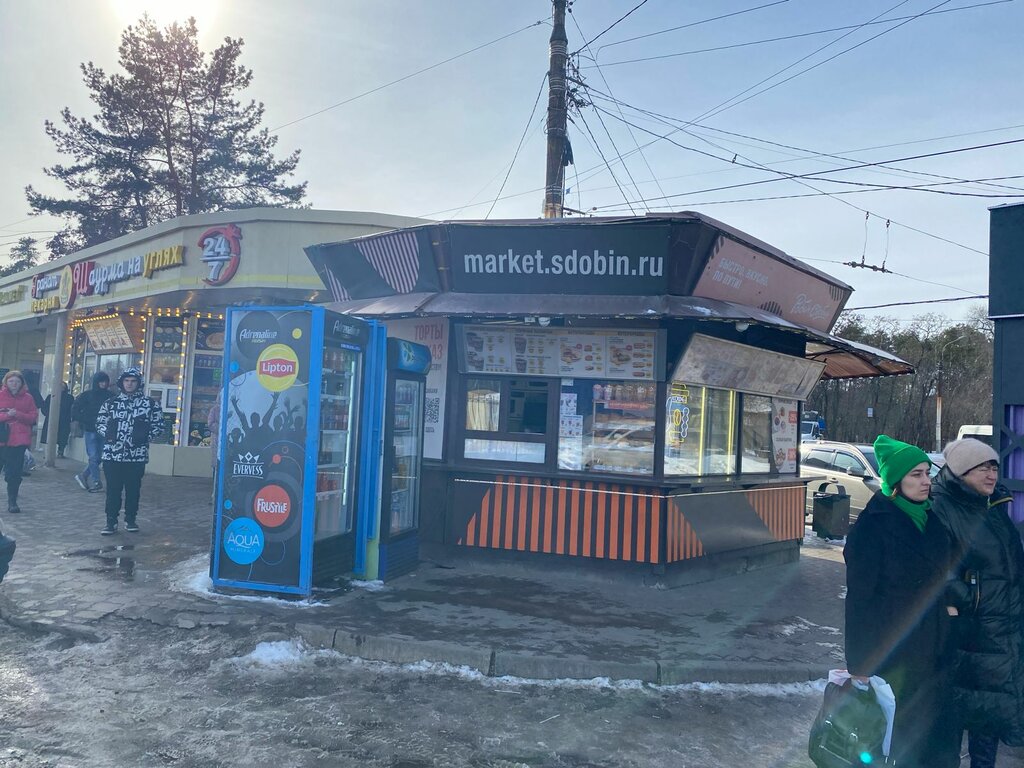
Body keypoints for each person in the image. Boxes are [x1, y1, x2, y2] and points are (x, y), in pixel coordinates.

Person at [843, 434, 961, 767]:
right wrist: (860, 666)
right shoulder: (873, 526)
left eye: (927, 472)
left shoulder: (932, 520)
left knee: (932, 743)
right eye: (916, 475)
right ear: (895, 481)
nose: (926, 481)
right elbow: (859, 600)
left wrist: (949, 610)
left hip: (934, 648)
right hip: (893, 654)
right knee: (892, 745)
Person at [931, 438, 1024, 768]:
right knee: (956, 716)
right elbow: (936, 565)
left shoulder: (993, 504)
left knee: (990, 714)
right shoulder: (942, 505)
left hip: (1002, 627)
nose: (992, 474)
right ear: (961, 472)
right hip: (969, 630)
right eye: (984, 467)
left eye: (995, 467)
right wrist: (964, 599)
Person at [95, 368, 163, 535]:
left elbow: (159, 426)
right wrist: (111, 436)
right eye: (126, 381)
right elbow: (100, 422)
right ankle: (110, 521)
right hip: (112, 455)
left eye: (133, 381)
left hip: (136, 456)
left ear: (138, 383)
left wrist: (143, 438)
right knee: (113, 490)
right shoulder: (111, 403)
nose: (130, 384)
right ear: (121, 383)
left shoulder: (150, 404)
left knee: (133, 490)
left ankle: (131, 519)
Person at [0, 371, 39, 514]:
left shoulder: (28, 398)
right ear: (6, 382)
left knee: (14, 474)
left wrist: (18, 414)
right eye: (11, 381)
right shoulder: (1, 395)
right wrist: (6, 415)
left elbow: (33, 417)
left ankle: (12, 501)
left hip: (18, 441)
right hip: (2, 439)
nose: (14, 384)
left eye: (17, 381)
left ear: (22, 383)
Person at [70, 372, 114, 492]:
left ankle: (83, 476)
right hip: (91, 430)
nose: (103, 384)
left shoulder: (111, 396)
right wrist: (85, 419)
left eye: (105, 381)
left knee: (100, 457)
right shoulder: (87, 395)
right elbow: (75, 409)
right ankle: (96, 481)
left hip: (105, 431)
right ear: (96, 382)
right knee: (94, 456)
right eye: (101, 382)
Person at [41, 381, 73, 457]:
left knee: (62, 437)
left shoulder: (69, 398)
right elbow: (44, 408)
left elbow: (71, 409)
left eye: (63, 387)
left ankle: (60, 452)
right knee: (49, 437)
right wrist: (49, 414)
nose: (61, 389)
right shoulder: (51, 396)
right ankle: (48, 453)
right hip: (51, 420)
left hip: (64, 420)